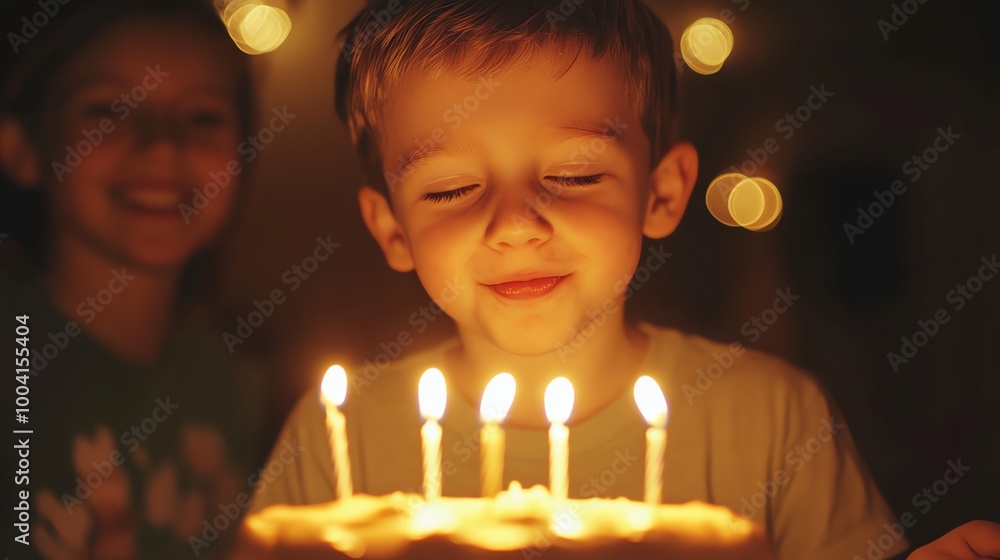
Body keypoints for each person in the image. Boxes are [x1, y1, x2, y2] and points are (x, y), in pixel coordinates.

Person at [239, 1, 989, 559]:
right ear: (392, 230)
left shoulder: (771, 419)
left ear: (662, 193)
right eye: (449, 189)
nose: (515, 223)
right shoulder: (342, 434)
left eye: (572, 174)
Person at [0, 0, 265, 558]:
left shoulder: (238, 391)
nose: (164, 144)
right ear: (20, 148)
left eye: (203, 117)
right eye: (109, 110)